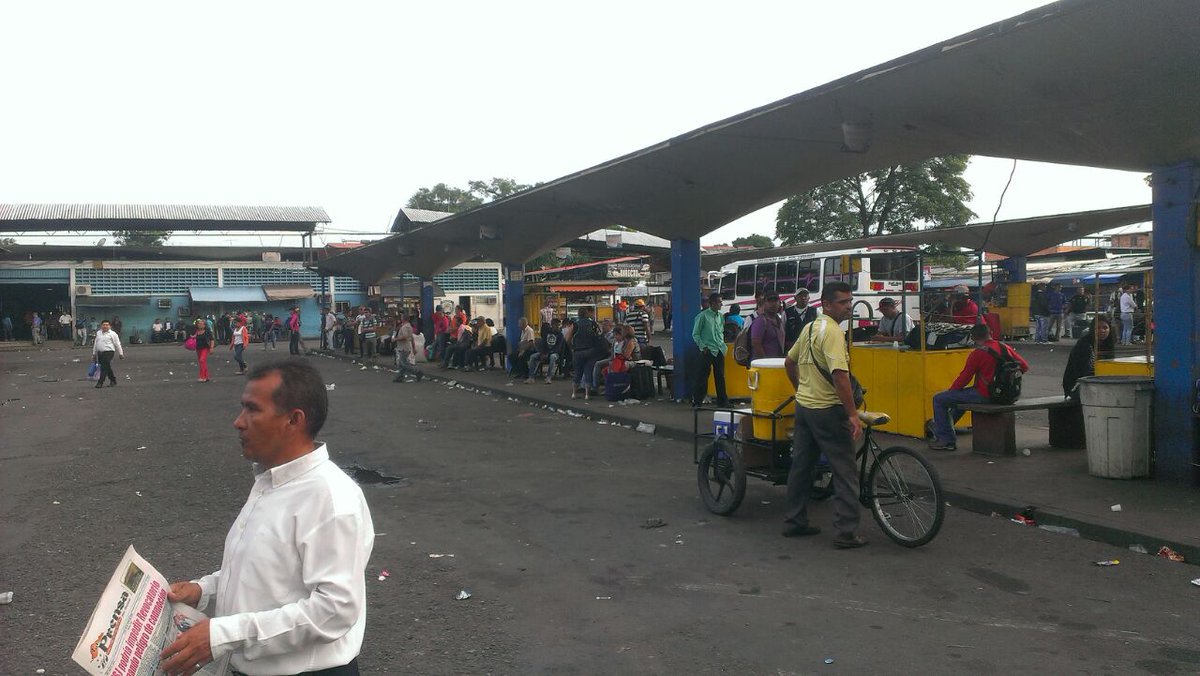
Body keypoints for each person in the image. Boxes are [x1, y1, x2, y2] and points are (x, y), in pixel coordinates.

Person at [160, 360, 374, 676]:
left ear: (294, 420)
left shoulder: (330, 497)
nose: (238, 422)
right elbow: (266, 573)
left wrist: (224, 634)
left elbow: (335, 610)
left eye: (252, 410)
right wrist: (205, 591)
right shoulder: (271, 482)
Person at [782, 281, 866, 549]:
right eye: (843, 302)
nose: (848, 307)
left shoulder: (809, 328)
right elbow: (840, 376)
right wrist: (853, 415)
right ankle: (846, 532)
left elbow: (789, 362)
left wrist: (800, 390)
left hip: (804, 408)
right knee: (845, 471)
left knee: (801, 467)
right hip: (827, 411)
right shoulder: (831, 332)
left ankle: (795, 521)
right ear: (826, 305)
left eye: (850, 302)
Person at [928, 324, 1029, 451]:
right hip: (1008, 396)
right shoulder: (1004, 347)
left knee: (940, 399)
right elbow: (1024, 366)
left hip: (986, 395)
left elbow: (964, 378)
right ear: (989, 333)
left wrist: (952, 391)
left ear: (973, 337)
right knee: (961, 399)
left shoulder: (978, 353)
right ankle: (942, 429)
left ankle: (946, 439)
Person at [1062, 316, 1116, 399]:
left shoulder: (1108, 344)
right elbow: (1082, 373)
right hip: (1078, 386)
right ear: (1092, 329)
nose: (1102, 331)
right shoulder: (1085, 345)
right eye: (1097, 328)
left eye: (1105, 328)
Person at [691, 292, 729, 407]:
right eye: (719, 302)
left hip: (719, 349)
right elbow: (695, 334)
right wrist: (703, 347)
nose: (721, 304)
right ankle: (698, 402)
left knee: (720, 377)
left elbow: (720, 331)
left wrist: (723, 345)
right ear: (712, 303)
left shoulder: (720, 317)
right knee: (702, 377)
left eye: (721, 302)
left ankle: (722, 401)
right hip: (707, 350)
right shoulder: (702, 316)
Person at [570, 307, 603, 399]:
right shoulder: (592, 323)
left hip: (578, 351)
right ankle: (587, 394)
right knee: (588, 371)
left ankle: (574, 393)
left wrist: (572, 347)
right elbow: (599, 335)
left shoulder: (575, 324)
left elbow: (568, 338)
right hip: (590, 350)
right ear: (587, 313)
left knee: (577, 372)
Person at [750, 291, 786, 359]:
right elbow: (756, 344)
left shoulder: (779, 320)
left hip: (776, 362)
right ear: (764, 303)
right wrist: (765, 361)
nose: (773, 304)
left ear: (779, 303)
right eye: (770, 301)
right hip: (764, 365)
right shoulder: (760, 321)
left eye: (776, 301)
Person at [527, 319, 564, 384]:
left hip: (555, 353)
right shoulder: (546, 333)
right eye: (556, 325)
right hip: (545, 352)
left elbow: (558, 348)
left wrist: (548, 354)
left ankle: (549, 377)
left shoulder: (560, 335)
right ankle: (531, 377)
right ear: (552, 325)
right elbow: (543, 345)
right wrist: (542, 353)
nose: (558, 327)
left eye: (559, 325)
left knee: (552, 357)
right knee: (532, 356)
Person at [91, 319, 124, 388]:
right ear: (101, 326)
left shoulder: (113, 334)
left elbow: (117, 344)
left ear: (110, 326)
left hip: (109, 352)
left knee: (104, 367)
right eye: (103, 325)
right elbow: (95, 344)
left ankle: (100, 382)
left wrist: (121, 353)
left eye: (107, 325)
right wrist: (94, 354)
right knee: (107, 367)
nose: (105, 326)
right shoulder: (98, 333)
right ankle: (113, 380)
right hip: (100, 353)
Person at [392, 313, 424, 383]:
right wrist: (413, 347)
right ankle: (400, 377)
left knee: (404, 363)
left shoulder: (404, 327)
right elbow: (411, 337)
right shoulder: (408, 326)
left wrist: (395, 339)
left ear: (403, 318)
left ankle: (417, 372)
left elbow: (405, 337)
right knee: (402, 363)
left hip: (404, 347)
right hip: (406, 346)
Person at [194, 318, 214, 383]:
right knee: (202, 362)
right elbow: (195, 337)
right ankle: (207, 376)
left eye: (202, 324)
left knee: (202, 360)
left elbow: (212, 339)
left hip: (205, 348)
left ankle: (203, 376)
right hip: (198, 348)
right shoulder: (196, 331)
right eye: (199, 324)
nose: (200, 325)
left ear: (204, 325)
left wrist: (211, 348)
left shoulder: (207, 331)